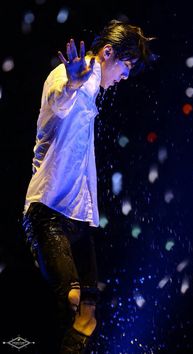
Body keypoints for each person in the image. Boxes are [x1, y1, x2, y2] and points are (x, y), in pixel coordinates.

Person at [22, 19, 154, 354]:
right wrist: (70, 84)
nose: (124, 77)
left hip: (78, 219)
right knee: (71, 299)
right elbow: (58, 100)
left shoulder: (93, 87)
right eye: (125, 66)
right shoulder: (69, 76)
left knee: (88, 317)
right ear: (108, 52)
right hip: (47, 211)